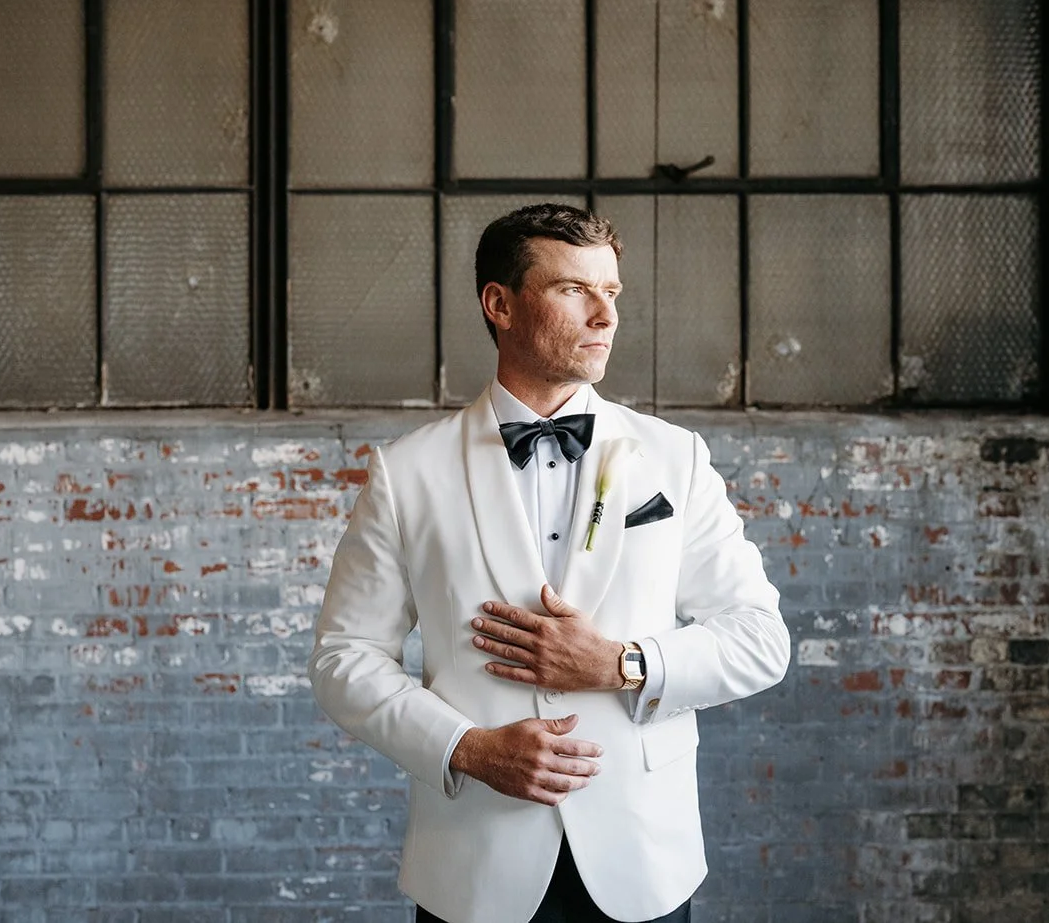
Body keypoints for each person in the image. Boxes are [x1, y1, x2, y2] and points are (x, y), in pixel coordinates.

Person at [308, 204, 790, 923]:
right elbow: (344, 658)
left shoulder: (675, 458)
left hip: (643, 861)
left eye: (613, 293)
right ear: (500, 304)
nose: (605, 315)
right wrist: (466, 747)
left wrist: (621, 663)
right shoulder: (408, 472)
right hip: (473, 865)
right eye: (574, 290)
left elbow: (761, 638)